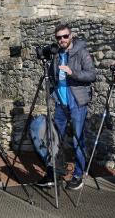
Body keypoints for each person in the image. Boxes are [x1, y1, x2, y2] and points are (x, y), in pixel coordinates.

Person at [37, 23, 96, 190]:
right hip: (61, 103)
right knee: (54, 139)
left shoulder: (81, 52)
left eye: (65, 36)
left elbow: (92, 74)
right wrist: (52, 94)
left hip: (77, 103)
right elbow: (51, 75)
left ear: (71, 36)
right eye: (59, 37)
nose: (62, 40)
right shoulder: (56, 54)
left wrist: (73, 73)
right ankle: (54, 173)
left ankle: (78, 174)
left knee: (78, 139)